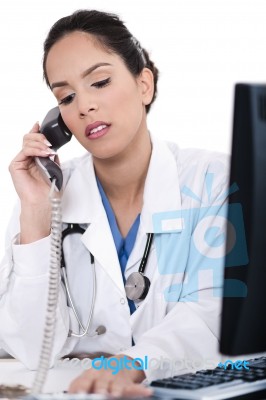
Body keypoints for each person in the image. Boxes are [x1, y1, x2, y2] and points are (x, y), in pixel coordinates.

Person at [0, 9, 229, 396]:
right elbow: (31, 348)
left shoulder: (212, 181)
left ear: (144, 85)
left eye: (100, 82)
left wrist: (135, 363)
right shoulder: (47, 193)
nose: (84, 106)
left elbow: (216, 314)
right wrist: (37, 216)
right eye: (66, 96)